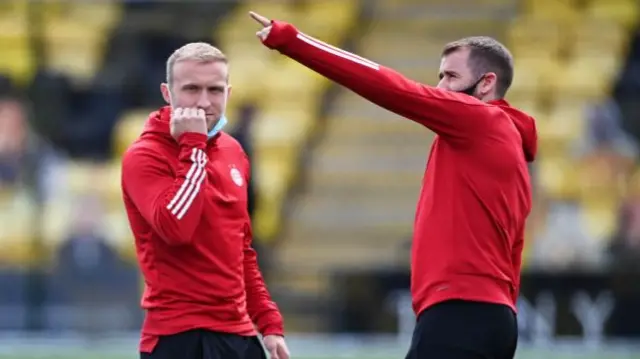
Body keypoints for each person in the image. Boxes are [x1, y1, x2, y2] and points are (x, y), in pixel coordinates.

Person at [249, 12, 538, 359]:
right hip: (492, 317)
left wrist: (291, 40)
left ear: (487, 82)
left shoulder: (481, 120)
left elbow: (390, 86)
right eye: (439, 76)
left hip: (460, 312)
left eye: (451, 76)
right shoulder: (507, 144)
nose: (440, 87)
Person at [120, 42, 290, 359]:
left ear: (228, 93)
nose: (204, 102)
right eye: (191, 89)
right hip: (179, 338)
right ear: (167, 93)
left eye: (214, 90)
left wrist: (268, 323)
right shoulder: (143, 156)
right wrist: (194, 146)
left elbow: (240, 249)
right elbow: (175, 227)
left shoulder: (234, 152)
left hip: (239, 337)